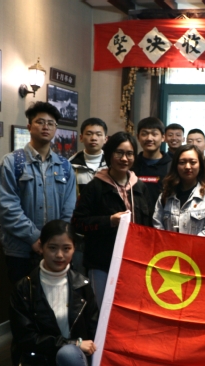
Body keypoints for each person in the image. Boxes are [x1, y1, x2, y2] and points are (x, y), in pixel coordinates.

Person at [10, 219, 99, 366]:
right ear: (41, 247)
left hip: (75, 361)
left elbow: (94, 329)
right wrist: (73, 343)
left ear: (74, 249)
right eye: (52, 248)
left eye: (66, 248)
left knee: (69, 354)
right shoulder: (23, 288)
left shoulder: (82, 284)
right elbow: (26, 338)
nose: (59, 255)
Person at [0, 101, 76, 283]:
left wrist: (54, 241)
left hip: (55, 251)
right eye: (40, 122)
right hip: (20, 250)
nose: (46, 127)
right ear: (29, 127)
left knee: (54, 296)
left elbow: (69, 208)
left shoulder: (64, 166)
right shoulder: (12, 162)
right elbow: (5, 207)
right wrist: (35, 237)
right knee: (22, 296)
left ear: (55, 129)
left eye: (51, 123)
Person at [72, 132, 151, 309]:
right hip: (101, 263)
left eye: (129, 153)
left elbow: (148, 226)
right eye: (119, 153)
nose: (124, 159)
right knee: (101, 311)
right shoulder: (95, 187)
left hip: (133, 262)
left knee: (128, 311)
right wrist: (109, 221)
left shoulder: (140, 187)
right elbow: (78, 223)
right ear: (109, 154)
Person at [68, 118, 108, 275]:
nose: (94, 138)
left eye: (98, 134)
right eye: (89, 134)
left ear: (105, 138)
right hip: (78, 232)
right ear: (81, 137)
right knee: (78, 277)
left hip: (105, 230)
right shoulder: (69, 165)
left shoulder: (112, 165)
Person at [153, 144, 205, 236]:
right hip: (168, 245)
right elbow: (157, 223)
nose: (187, 167)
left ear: (200, 165)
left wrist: (188, 244)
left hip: (198, 245)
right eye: (182, 162)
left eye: (193, 162)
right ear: (175, 166)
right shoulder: (165, 195)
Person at [132, 117, 172, 217]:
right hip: (136, 220)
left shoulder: (172, 166)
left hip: (163, 220)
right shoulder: (131, 164)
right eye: (144, 134)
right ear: (138, 137)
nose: (149, 138)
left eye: (154, 134)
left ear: (163, 137)